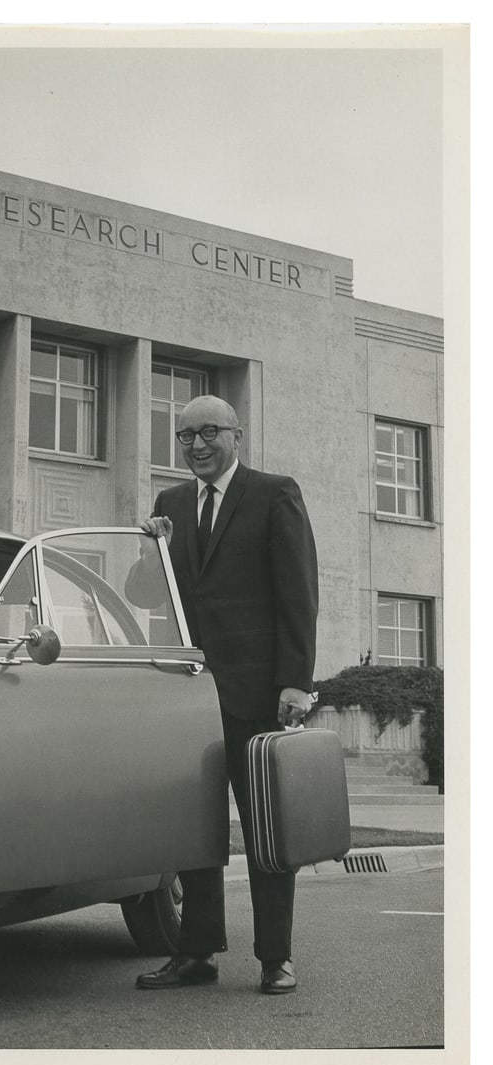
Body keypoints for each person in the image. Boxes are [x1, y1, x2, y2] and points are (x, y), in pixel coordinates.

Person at [125, 394, 318, 995]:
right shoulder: (171, 505)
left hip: (257, 695)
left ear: (237, 436)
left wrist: (295, 680)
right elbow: (148, 597)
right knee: (194, 828)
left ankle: (275, 958)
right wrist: (149, 548)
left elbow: (298, 592)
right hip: (189, 697)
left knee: (265, 829)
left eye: (209, 432)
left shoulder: (273, 492)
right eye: (185, 436)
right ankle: (197, 953)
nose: (197, 445)